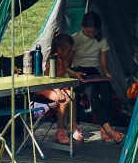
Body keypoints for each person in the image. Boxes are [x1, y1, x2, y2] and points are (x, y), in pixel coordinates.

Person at [71, 12, 123, 143]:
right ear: (81, 26)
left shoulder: (102, 40)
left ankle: (102, 127)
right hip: (78, 72)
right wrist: (74, 74)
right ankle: (108, 129)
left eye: (94, 33)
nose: (91, 35)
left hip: (93, 72)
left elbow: (104, 65)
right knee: (91, 91)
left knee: (107, 88)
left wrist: (107, 74)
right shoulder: (75, 38)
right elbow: (67, 65)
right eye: (88, 32)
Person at [36, 32, 84, 145]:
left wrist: (75, 74)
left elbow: (66, 69)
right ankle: (60, 131)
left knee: (73, 95)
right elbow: (50, 79)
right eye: (68, 50)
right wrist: (59, 92)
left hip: (59, 87)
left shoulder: (63, 59)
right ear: (60, 49)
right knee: (65, 99)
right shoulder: (53, 60)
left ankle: (72, 126)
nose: (70, 52)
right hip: (47, 88)